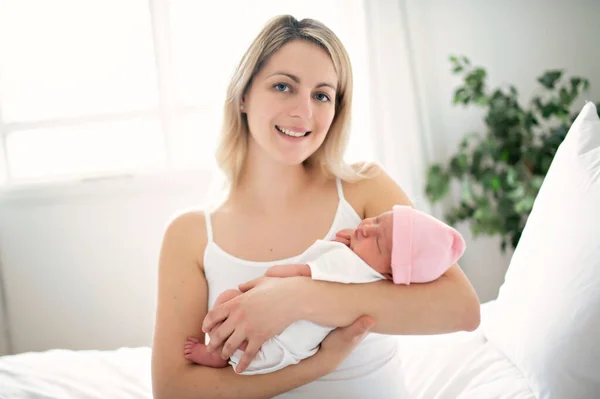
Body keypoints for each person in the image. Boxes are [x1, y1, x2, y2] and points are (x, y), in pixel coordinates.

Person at [151, 14, 480, 399]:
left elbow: (462, 309)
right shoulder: (189, 236)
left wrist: (297, 298)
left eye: (322, 95)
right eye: (283, 86)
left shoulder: (363, 189)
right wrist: (317, 366)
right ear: (243, 96)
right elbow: (174, 390)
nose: (304, 112)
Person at [183, 205, 467, 374]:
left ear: (389, 271)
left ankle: (215, 355)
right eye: (377, 220)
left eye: (377, 241)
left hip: (273, 343)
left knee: (228, 300)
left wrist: (272, 279)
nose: (366, 228)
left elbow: (304, 273)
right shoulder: (372, 277)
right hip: (292, 349)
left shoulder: (347, 263)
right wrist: (354, 245)